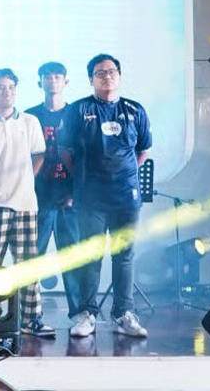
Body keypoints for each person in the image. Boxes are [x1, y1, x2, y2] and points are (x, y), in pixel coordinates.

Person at [60, 54, 151, 339]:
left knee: (124, 256)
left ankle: (123, 313)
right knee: (91, 255)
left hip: (126, 198)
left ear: (119, 76)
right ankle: (87, 314)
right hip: (90, 199)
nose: (107, 76)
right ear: (91, 79)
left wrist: (122, 175)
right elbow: (65, 152)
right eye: (100, 73)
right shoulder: (78, 110)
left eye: (111, 71)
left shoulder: (135, 110)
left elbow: (143, 151)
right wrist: (85, 179)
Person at [0, 68, 53, 337]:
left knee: (28, 265)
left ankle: (31, 318)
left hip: (26, 205)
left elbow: (39, 155)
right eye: (1, 87)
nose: (7, 92)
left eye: (11, 87)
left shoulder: (29, 122)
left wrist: (25, 177)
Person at [25, 61, 82, 320]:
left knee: (72, 259)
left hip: (68, 198)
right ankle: (28, 316)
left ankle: (80, 314)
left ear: (66, 82)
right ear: (40, 82)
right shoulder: (29, 116)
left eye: (58, 77)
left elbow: (84, 156)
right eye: (47, 77)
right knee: (31, 259)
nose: (52, 81)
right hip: (37, 198)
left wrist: (75, 193)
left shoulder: (76, 114)